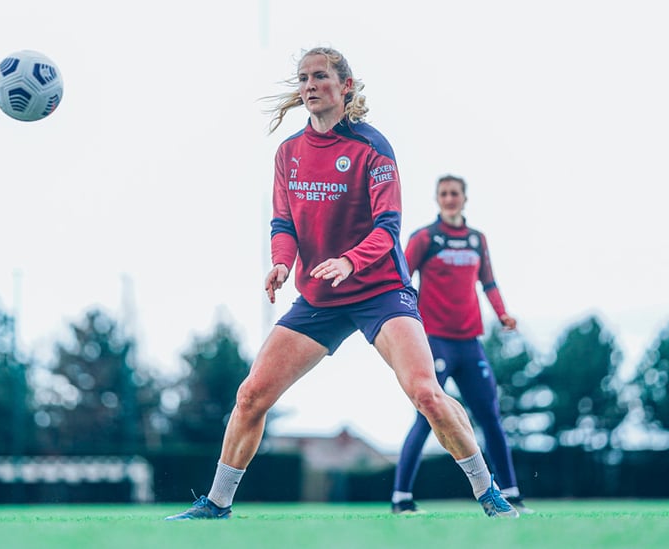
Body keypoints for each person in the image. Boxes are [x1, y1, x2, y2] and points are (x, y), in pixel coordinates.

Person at [165, 47, 518, 520]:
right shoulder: (288, 153)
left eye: (320, 77)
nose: (310, 86)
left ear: (345, 86)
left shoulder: (373, 147)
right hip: (319, 298)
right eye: (303, 78)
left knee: (427, 393)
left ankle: (489, 494)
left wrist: (352, 262)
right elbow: (283, 224)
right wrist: (281, 265)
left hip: (380, 292)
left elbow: (388, 227)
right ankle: (217, 503)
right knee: (251, 395)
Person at [390, 174, 533, 514]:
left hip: (470, 343)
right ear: (437, 198)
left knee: (491, 417)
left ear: (465, 198)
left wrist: (503, 314)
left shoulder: (476, 240)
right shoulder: (425, 238)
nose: (449, 198)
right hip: (435, 342)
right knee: (426, 416)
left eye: (455, 193)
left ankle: (511, 492)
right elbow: (400, 279)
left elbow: (489, 282)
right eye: (443, 193)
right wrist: (406, 325)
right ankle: (401, 498)